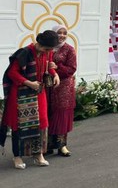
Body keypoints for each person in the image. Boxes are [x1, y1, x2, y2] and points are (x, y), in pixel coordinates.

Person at [0, 30, 60, 170]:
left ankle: (38, 154)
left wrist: (55, 74)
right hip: (21, 93)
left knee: (41, 123)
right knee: (20, 125)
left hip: (39, 92)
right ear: (40, 44)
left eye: (50, 50)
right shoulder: (24, 53)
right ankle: (17, 156)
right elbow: (12, 73)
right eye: (47, 49)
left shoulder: (47, 52)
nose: (48, 52)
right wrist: (29, 83)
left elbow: (49, 66)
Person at [46, 25, 77, 157]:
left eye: (65, 33)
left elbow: (72, 69)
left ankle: (62, 145)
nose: (62, 35)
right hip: (48, 86)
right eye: (59, 33)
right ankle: (47, 145)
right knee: (48, 114)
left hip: (64, 87)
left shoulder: (69, 49)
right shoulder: (47, 47)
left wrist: (57, 67)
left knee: (61, 115)